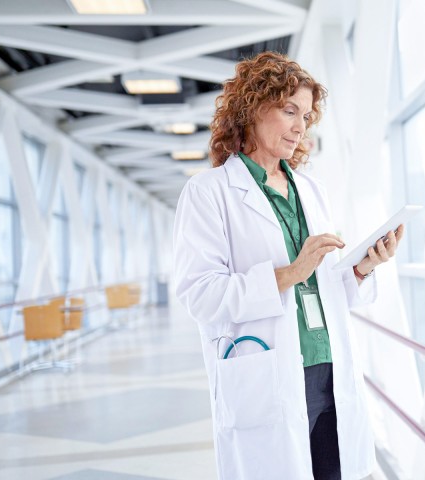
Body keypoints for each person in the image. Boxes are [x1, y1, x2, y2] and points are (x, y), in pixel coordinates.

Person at [173, 51, 403, 480]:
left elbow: (324, 286)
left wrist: (360, 269)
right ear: (253, 108)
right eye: (289, 110)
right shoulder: (208, 193)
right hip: (267, 375)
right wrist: (289, 274)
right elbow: (200, 295)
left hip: (329, 370)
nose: (301, 126)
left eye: (308, 115)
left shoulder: (311, 190)